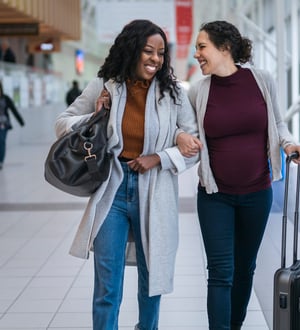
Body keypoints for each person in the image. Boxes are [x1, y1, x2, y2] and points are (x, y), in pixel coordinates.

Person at [54, 19, 202, 330]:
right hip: (113, 189)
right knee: (108, 282)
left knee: (152, 278)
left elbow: (195, 146)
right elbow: (62, 123)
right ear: (132, 49)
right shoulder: (105, 85)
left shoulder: (172, 93)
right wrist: (95, 116)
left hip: (156, 188)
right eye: (148, 51)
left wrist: (159, 158)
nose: (155, 59)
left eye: (161, 53)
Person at [188, 20, 300, 330]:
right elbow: (186, 131)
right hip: (215, 196)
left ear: (224, 48)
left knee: (245, 269)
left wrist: (290, 143)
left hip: (257, 193)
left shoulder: (261, 80)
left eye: (202, 47)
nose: (196, 54)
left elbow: (278, 124)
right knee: (220, 271)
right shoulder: (199, 90)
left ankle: (235, 326)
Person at [0, 81, 24, 170]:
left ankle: (1, 161)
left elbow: (13, 110)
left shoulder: (5, 98)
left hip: (3, 124)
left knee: (1, 141)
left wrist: (20, 121)